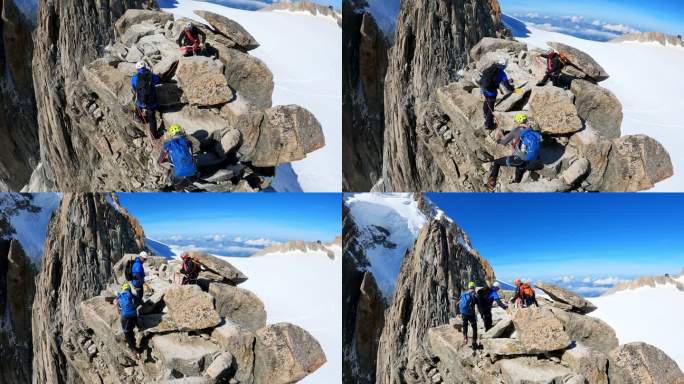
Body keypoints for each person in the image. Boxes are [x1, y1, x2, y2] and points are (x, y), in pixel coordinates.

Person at [487, 113, 541, 190]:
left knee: (497, 162)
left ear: (518, 122)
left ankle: (492, 182)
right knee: (519, 173)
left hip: (518, 158)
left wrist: (498, 131)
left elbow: (501, 142)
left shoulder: (516, 131)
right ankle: (516, 185)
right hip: (528, 159)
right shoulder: (530, 129)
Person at [158, 124, 198, 190]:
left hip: (178, 177)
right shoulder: (188, 142)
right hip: (193, 173)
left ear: (171, 134)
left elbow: (160, 161)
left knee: (170, 171)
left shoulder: (168, 145)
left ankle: (169, 186)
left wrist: (164, 160)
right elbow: (191, 153)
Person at [479, 58, 516, 130]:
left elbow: (483, 78)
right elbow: (507, 85)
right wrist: (513, 90)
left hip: (484, 89)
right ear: (504, 66)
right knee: (491, 108)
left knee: (486, 102)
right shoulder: (502, 73)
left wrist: (481, 90)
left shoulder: (490, 68)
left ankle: (485, 115)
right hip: (491, 92)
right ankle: (488, 124)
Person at [131, 61, 162, 139]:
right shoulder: (151, 76)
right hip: (152, 103)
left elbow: (134, 87)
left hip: (141, 102)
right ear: (145, 67)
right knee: (152, 120)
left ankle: (138, 117)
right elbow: (158, 80)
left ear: (137, 69)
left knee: (136, 102)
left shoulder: (134, 78)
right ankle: (154, 135)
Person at [114, 282, 141, 358]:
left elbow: (119, 311)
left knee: (127, 333)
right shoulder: (130, 294)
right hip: (134, 315)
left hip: (126, 317)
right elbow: (138, 301)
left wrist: (118, 309)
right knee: (132, 328)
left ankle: (133, 350)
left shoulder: (119, 296)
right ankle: (139, 327)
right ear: (128, 288)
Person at [457, 281, 480, 349]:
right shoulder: (475, 295)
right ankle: (474, 342)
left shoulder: (464, 293)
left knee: (465, 325)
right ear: (474, 287)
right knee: (474, 328)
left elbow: (460, 301)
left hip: (463, 313)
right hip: (471, 314)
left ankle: (465, 338)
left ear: (468, 287)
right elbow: (479, 303)